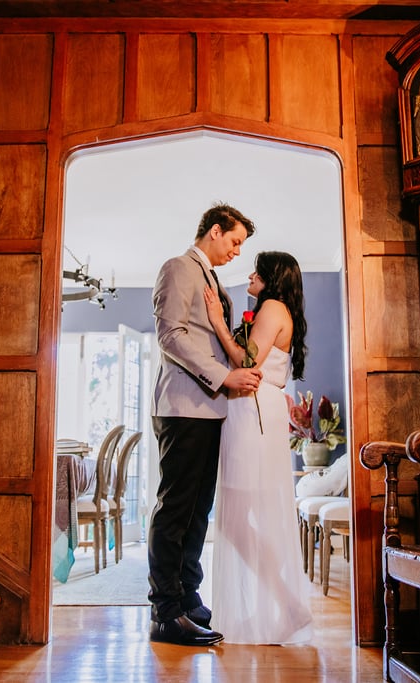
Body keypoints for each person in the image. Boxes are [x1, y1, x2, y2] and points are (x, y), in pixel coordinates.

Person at [148, 203, 262, 647]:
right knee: (175, 508)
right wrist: (223, 376)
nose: (236, 251)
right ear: (214, 231)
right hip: (181, 407)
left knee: (198, 511)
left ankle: (188, 598)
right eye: (234, 241)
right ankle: (165, 612)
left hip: (209, 409)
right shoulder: (178, 267)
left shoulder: (213, 280)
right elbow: (171, 335)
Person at [203, 250, 314, 645]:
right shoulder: (278, 310)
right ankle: (283, 604)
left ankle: (288, 603)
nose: (251, 274)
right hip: (252, 411)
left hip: (254, 413)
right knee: (238, 519)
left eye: (258, 270)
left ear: (272, 278)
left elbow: (247, 363)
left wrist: (217, 321)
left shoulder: (271, 308)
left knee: (237, 517)